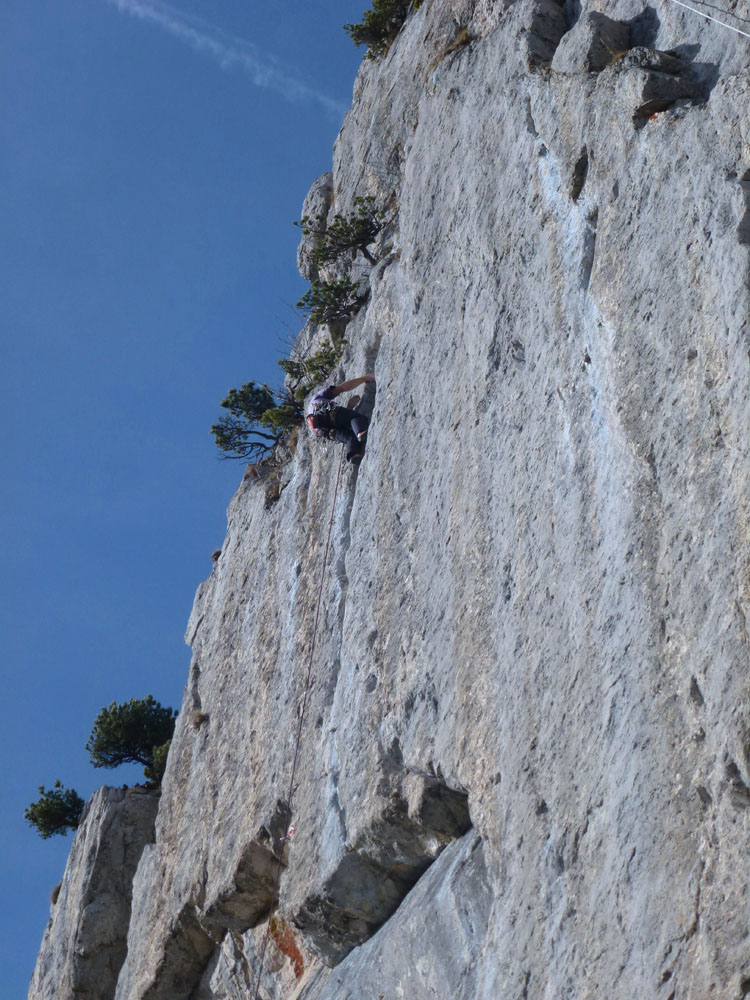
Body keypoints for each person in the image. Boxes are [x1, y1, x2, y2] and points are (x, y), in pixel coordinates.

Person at [306, 374, 375, 464]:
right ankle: (360, 432)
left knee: (349, 436)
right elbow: (342, 388)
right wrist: (364, 378)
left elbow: (339, 421)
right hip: (327, 412)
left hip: (324, 430)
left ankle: (353, 455)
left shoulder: (311, 415)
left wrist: (349, 407)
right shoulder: (316, 397)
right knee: (355, 417)